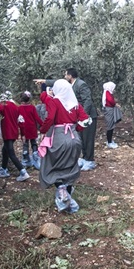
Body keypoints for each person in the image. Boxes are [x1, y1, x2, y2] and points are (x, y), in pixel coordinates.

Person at [38, 79, 90, 213]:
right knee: (70, 166)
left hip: (59, 138)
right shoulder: (76, 104)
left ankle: (61, 189)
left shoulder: (55, 102)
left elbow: (50, 118)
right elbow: (86, 120)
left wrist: (42, 130)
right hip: (75, 140)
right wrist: (76, 128)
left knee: (51, 163)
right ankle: (68, 199)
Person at [35, 69, 98, 171]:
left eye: (65, 75)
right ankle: (85, 157)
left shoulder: (81, 84)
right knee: (81, 138)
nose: (64, 77)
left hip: (88, 116)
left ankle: (90, 160)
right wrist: (45, 81)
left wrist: (82, 115)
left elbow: (87, 101)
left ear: (70, 75)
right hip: (79, 117)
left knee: (88, 139)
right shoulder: (70, 85)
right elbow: (58, 82)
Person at [0, 91, 30, 182]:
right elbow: (21, 120)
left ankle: (23, 172)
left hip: (7, 132)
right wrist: (23, 133)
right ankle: (3, 169)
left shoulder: (3, 105)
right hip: (14, 132)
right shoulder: (16, 106)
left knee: (11, 153)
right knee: (5, 150)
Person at [19, 91, 43, 170]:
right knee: (34, 143)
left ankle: (26, 162)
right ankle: (36, 161)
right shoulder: (32, 107)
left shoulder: (19, 108)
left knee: (25, 144)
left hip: (24, 129)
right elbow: (37, 118)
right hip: (32, 128)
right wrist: (43, 125)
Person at [102, 81, 120, 149]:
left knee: (111, 125)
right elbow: (110, 101)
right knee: (110, 126)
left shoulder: (108, 92)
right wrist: (115, 104)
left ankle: (110, 140)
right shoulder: (107, 93)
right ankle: (109, 142)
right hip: (109, 110)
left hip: (110, 109)